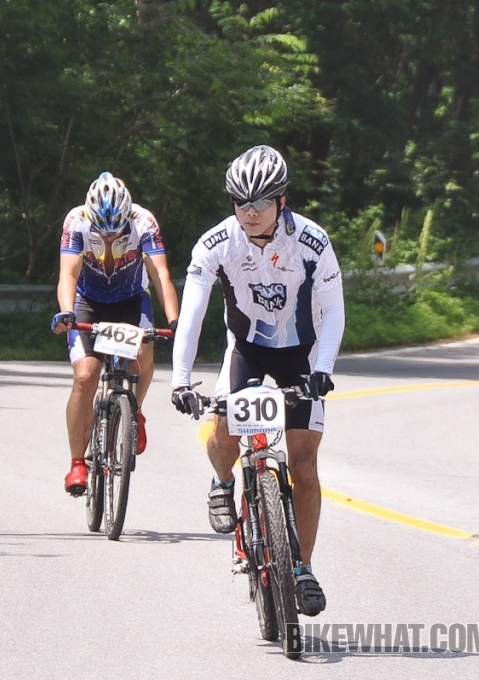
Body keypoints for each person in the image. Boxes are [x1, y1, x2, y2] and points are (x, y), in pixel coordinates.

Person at [170, 145, 345, 617]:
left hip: (301, 354)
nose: (250, 212)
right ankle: (222, 481)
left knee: (303, 464)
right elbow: (192, 311)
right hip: (246, 350)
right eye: (241, 202)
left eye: (261, 202)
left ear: (282, 200)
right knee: (224, 429)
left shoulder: (312, 241)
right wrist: (181, 380)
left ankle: (303, 567)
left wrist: (323, 370)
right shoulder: (216, 243)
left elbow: (334, 310)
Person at [51, 172, 180, 496]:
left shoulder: (144, 222)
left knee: (142, 352)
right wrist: (67, 312)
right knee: (85, 376)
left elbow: (161, 275)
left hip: (130, 300)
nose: (109, 240)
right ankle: (77, 463)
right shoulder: (76, 221)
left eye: (116, 234)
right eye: (102, 235)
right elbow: (68, 274)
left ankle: (134, 412)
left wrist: (175, 320)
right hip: (88, 302)